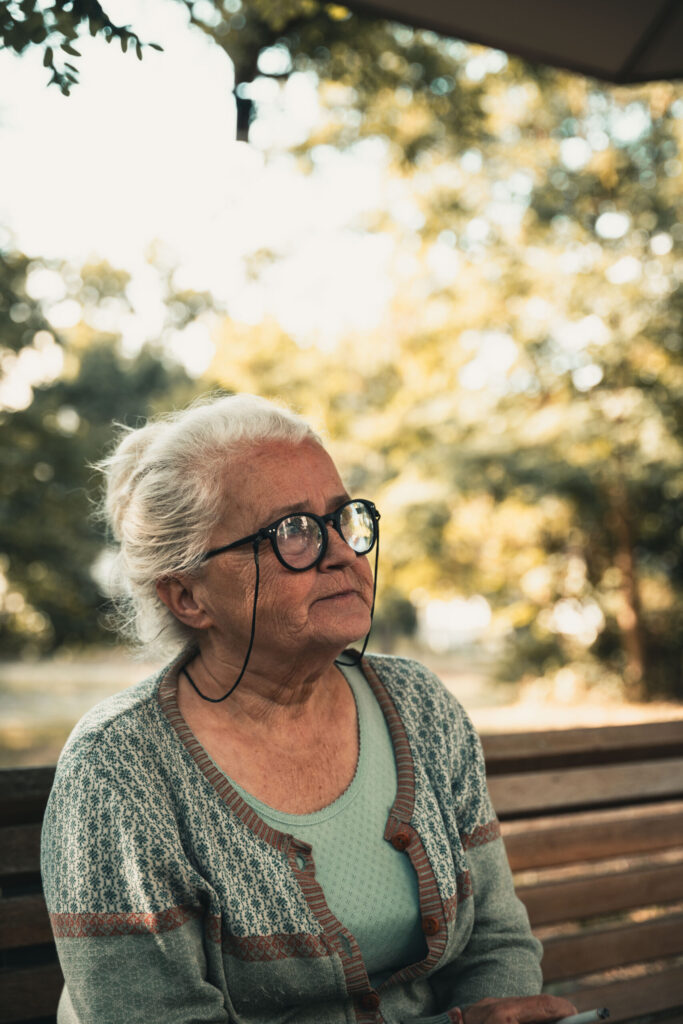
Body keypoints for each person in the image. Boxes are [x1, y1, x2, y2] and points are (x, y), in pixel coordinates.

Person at [41, 393, 577, 1024]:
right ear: (188, 596)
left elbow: (495, 940)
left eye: (342, 516)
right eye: (292, 531)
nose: (344, 552)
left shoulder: (420, 706)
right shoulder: (119, 769)